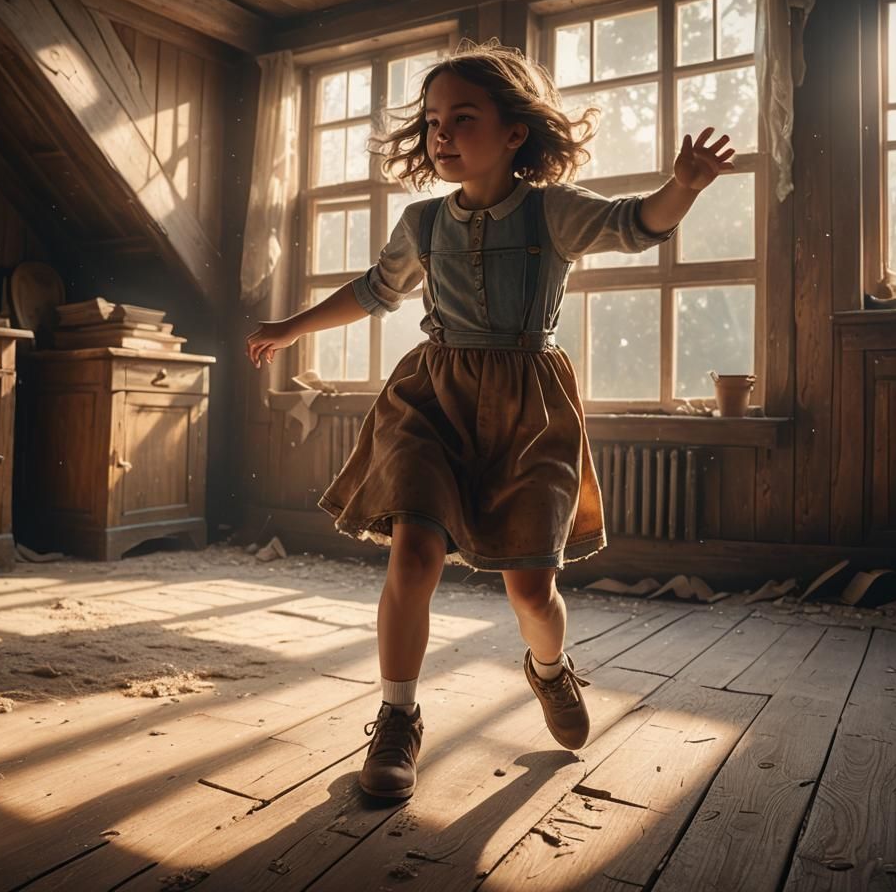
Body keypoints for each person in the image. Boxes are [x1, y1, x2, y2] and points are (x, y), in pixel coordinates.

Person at [245, 40, 735, 800]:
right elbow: (374, 292)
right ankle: (398, 719)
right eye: (434, 121)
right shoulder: (420, 223)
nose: (441, 134)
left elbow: (636, 225)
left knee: (531, 591)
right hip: (432, 397)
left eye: (462, 118)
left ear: (515, 132)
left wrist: (684, 186)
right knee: (413, 555)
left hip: (528, 406)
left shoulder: (553, 210)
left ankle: (549, 668)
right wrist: (289, 328)